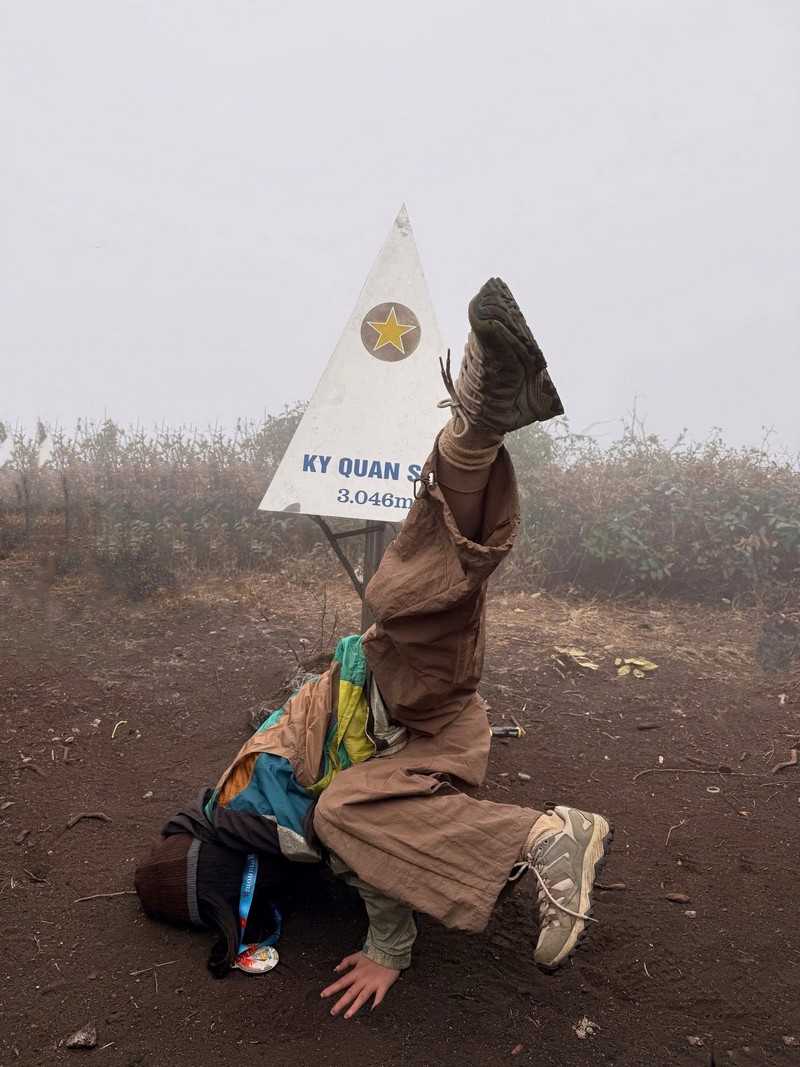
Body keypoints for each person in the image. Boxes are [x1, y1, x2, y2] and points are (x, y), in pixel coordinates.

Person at [134, 278, 613, 1019]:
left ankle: (478, 428)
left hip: (398, 700)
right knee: (363, 773)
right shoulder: (234, 803)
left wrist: (389, 947)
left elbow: (357, 857)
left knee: (401, 613)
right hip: (421, 746)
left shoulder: (257, 817)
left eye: (229, 902)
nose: (245, 905)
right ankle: (544, 837)